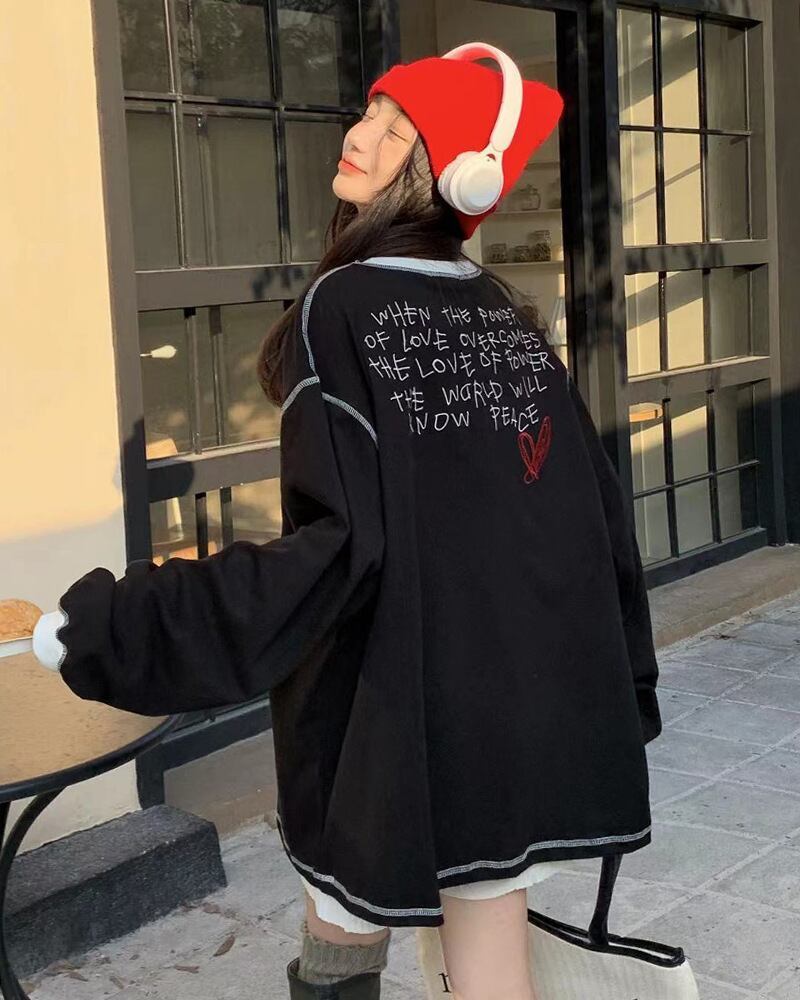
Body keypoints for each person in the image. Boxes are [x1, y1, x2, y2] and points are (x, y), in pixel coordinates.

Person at [33, 43, 662, 1000]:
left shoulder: (343, 302)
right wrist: (626, 686)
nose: (359, 133)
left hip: (397, 700)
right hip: (521, 703)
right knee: (489, 943)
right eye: (369, 111)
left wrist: (120, 626)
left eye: (394, 127)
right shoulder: (503, 313)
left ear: (454, 172)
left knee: (342, 915)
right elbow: (597, 518)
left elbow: (333, 552)